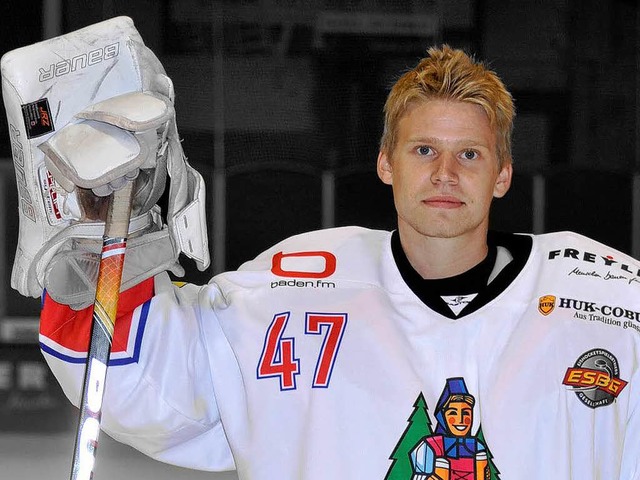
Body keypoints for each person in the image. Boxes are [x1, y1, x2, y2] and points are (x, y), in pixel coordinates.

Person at [16, 43, 640, 479]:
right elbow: (144, 381)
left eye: (470, 155)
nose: (446, 174)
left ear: (503, 173)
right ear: (386, 163)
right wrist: (104, 232)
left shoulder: (608, 300)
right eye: (424, 149)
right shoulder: (295, 286)